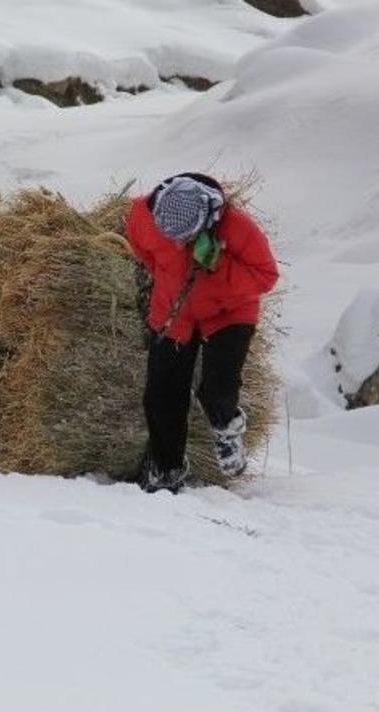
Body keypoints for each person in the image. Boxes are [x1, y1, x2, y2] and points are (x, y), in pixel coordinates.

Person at [126, 173, 278, 493]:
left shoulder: (237, 226)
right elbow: (145, 253)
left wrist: (217, 265)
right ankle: (167, 468)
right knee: (161, 395)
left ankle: (227, 428)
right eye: (173, 239)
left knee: (216, 389)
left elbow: (266, 276)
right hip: (173, 312)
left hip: (229, 312)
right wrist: (171, 283)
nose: (179, 244)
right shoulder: (142, 214)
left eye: (187, 238)